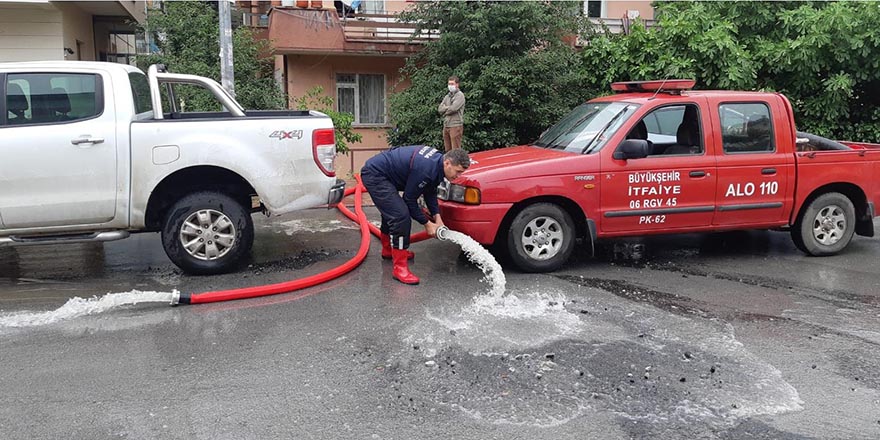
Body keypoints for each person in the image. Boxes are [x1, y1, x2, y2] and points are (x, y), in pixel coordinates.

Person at [360, 146, 471, 285]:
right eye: (458, 171)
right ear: (447, 163)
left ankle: (389, 250)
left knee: (392, 211)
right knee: (400, 216)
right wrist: (427, 224)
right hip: (375, 175)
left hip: (388, 175)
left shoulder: (437, 164)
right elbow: (409, 200)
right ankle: (399, 268)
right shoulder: (425, 169)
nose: (458, 176)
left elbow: (430, 191)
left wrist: (438, 218)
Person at [438, 76, 465, 152]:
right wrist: (448, 108)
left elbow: (454, 108)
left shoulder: (460, 95)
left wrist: (445, 108)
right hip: (446, 125)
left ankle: (457, 163)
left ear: (457, 84)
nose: (450, 86)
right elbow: (440, 109)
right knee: (448, 150)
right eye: (449, 84)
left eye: (452, 84)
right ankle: (450, 163)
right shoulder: (447, 96)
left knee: (455, 150)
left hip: (455, 125)